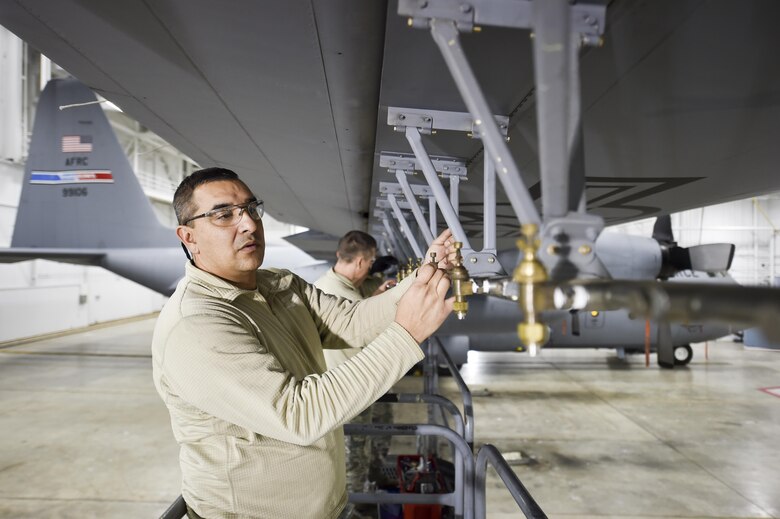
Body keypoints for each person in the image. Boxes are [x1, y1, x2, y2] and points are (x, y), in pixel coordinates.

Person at [152, 167, 456, 519]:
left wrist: (426, 273)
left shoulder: (278, 284)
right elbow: (297, 414)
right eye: (224, 215)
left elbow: (353, 324)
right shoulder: (197, 323)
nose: (249, 224)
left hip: (327, 507)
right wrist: (406, 335)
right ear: (188, 237)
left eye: (251, 208)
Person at [314, 231, 397, 501]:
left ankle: (367, 494)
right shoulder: (345, 299)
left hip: (351, 387)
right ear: (361, 262)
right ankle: (358, 507)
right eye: (371, 262)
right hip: (350, 393)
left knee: (365, 449)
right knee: (354, 459)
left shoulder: (325, 288)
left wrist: (375, 293)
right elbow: (367, 328)